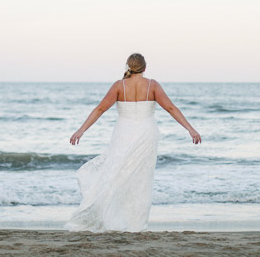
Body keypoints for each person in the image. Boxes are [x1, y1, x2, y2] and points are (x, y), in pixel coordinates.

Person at [64, 53, 201, 232]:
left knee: (116, 173)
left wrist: (81, 130)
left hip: (123, 133)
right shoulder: (152, 85)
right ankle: (135, 224)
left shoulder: (119, 86)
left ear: (128, 66)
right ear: (145, 67)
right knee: (141, 180)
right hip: (147, 133)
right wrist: (190, 129)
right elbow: (170, 108)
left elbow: (100, 109)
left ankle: (116, 220)